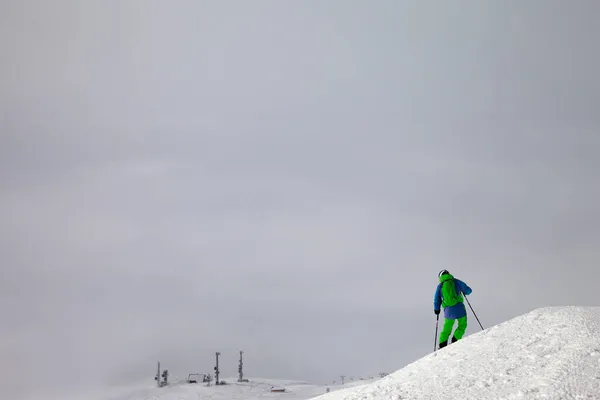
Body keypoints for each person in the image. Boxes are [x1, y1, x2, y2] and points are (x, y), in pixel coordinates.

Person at [433, 270, 472, 349]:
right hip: (459, 308)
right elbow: (469, 290)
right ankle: (455, 340)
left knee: (447, 328)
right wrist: (464, 292)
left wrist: (437, 309)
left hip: (448, 310)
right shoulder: (456, 281)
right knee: (462, 325)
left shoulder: (440, 286)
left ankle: (442, 344)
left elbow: (437, 299)